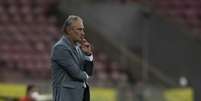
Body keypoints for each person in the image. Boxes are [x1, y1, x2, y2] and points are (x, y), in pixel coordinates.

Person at [51, 15, 94, 101]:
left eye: (83, 29)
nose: (83, 33)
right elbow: (77, 74)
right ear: (69, 30)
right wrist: (87, 75)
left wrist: (88, 55)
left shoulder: (79, 48)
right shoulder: (60, 48)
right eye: (79, 29)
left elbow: (88, 71)